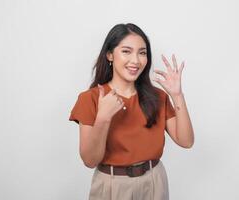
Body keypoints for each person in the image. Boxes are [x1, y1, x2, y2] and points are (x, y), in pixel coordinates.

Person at [69, 23, 194, 200]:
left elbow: (186, 141)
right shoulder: (90, 99)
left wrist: (177, 95)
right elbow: (90, 161)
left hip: (154, 181)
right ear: (110, 55)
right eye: (126, 51)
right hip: (112, 185)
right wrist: (103, 117)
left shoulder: (157, 97)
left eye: (142, 53)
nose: (135, 60)